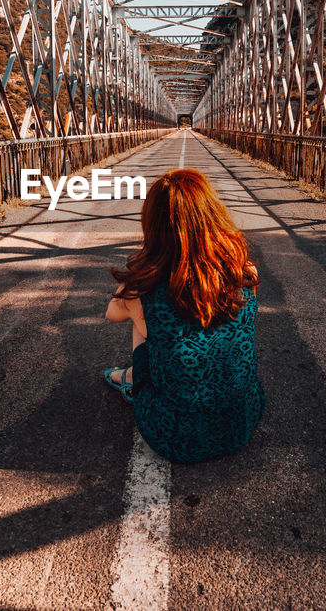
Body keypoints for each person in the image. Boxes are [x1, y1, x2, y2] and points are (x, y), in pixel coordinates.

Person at [103, 168, 264, 463]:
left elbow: (112, 314)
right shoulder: (245, 272)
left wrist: (136, 281)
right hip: (241, 424)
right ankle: (135, 377)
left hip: (174, 438)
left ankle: (130, 379)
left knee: (141, 324)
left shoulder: (142, 290)